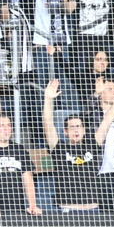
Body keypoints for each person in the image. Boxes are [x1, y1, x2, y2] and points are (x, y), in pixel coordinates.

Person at [43, 79, 101, 212]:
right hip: (68, 210)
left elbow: (108, 118)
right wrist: (47, 99)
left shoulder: (92, 144)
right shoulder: (59, 148)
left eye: (79, 127)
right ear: (65, 131)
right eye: (72, 127)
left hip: (92, 209)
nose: (76, 130)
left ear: (84, 129)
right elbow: (47, 123)